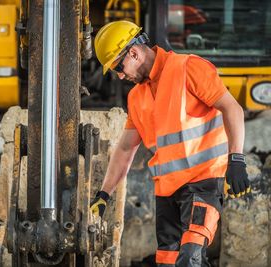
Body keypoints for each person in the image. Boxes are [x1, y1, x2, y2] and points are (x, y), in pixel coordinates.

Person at [89, 20, 251, 267]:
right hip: (166, 193)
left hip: (203, 183)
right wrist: (103, 194)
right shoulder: (137, 97)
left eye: (118, 67)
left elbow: (232, 108)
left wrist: (236, 159)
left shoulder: (188, 68)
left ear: (133, 52)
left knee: (190, 259)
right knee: (168, 262)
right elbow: (125, 148)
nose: (120, 75)